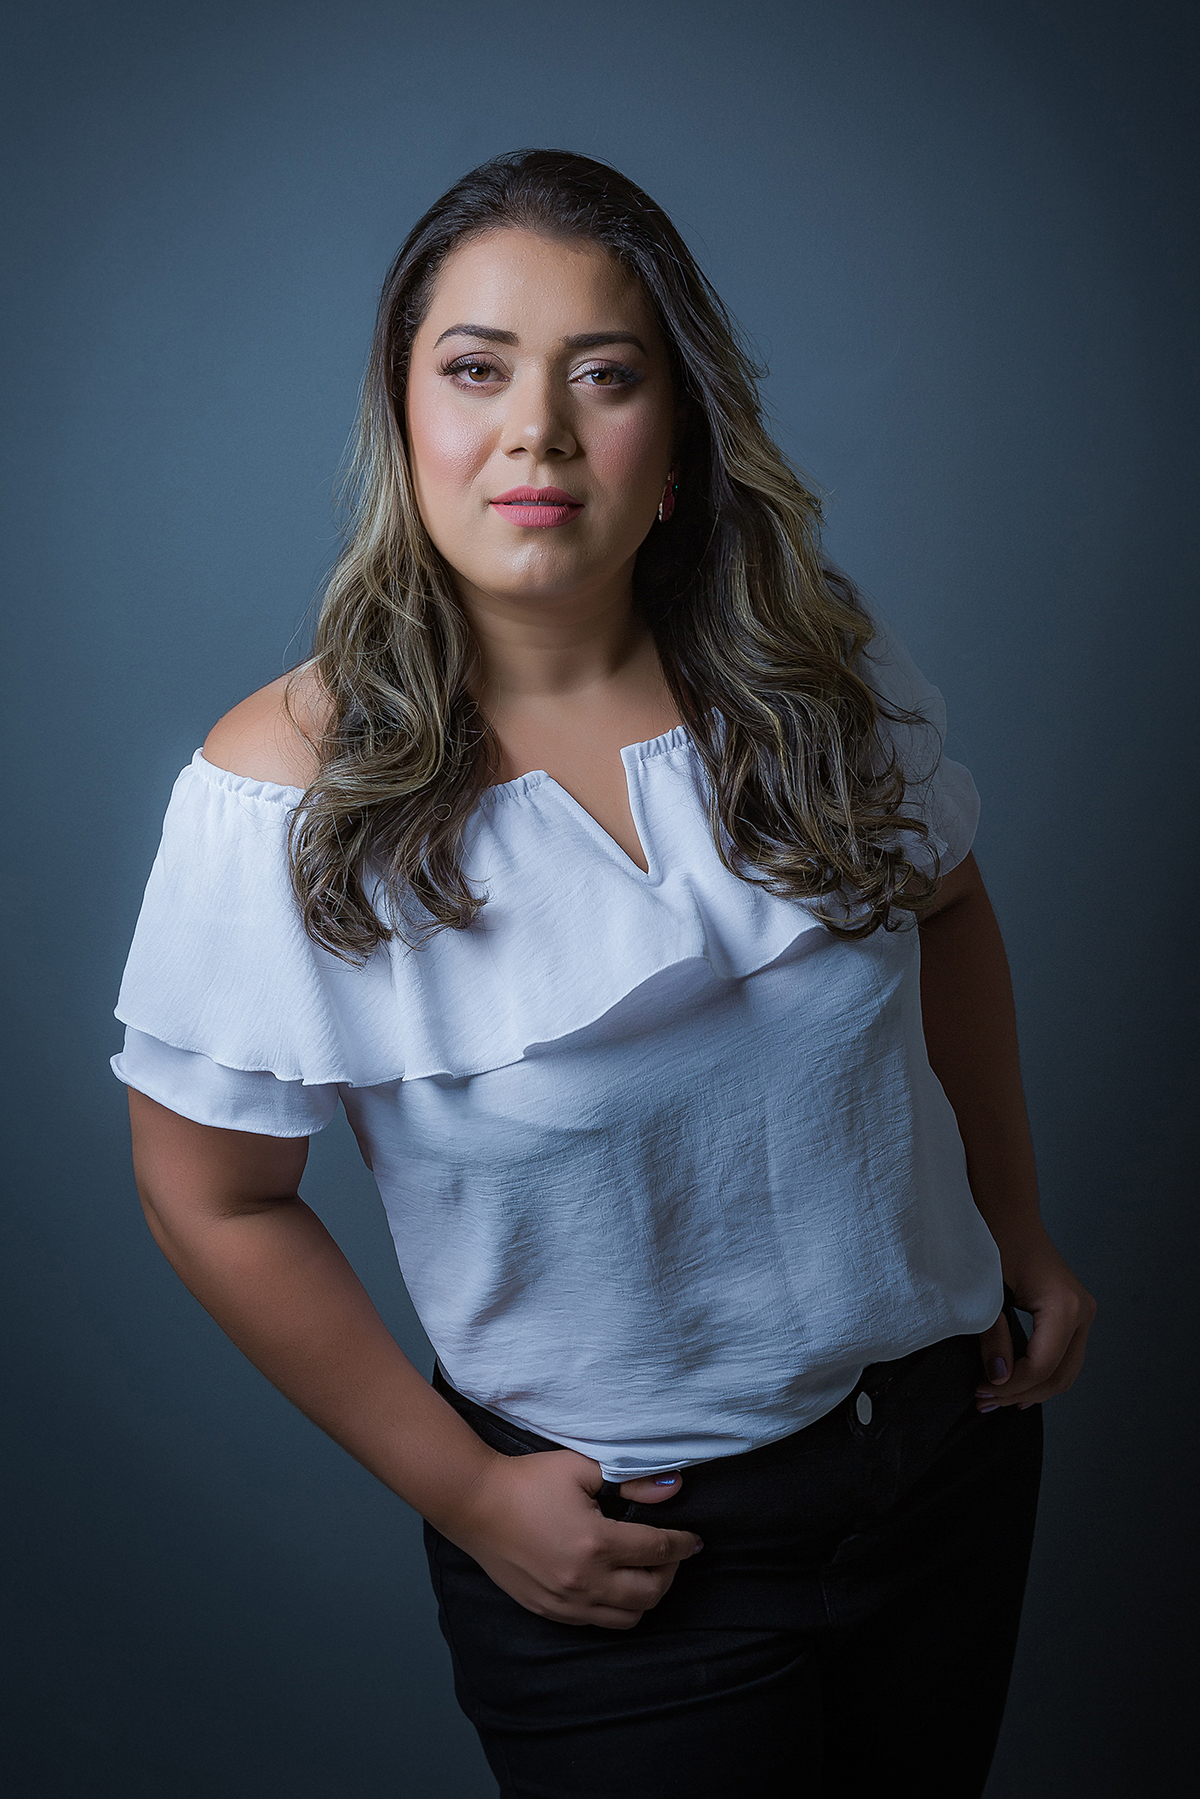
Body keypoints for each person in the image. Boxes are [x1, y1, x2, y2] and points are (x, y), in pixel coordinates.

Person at [112, 149, 1095, 1798]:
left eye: (604, 376)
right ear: (403, 416)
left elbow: (949, 907)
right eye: (476, 369)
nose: (537, 434)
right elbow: (208, 1194)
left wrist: (1018, 1224)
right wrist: (465, 1492)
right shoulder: (279, 792)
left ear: (681, 432)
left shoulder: (814, 669)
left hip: (948, 1468)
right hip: (635, 1559)